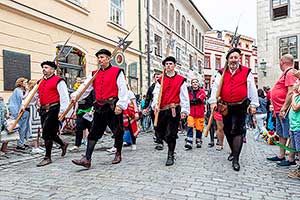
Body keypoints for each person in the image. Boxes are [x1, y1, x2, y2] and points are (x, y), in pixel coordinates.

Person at [71, 49, 128, 168]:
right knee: (93, 133)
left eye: (102, 57)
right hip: (99, 107)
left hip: (112, 106)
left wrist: (121, 105)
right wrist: (76, 95)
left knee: (117, 131)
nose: (100, 60)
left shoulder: (117, 72)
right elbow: (85, 87)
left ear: (108, 58)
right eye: (99, 58)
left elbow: (123, 88)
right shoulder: (94, 73)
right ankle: (87, 159)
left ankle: (118, 153)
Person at [209, 48, 259, 171]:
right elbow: (215, 87)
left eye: (236, 57)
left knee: (238, 131)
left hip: (240, 106)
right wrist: (213, 101)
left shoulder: (247, 72)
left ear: (239, 59)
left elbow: (252, 88)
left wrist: (253, 104)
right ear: (228, 59)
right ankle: (233, 151)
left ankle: (236, 159)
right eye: (231, 57)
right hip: (225, 106)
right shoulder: (221, 72)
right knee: (227, 130)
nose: (233, 60)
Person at [23, 61, 70, 167]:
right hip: (43, 110)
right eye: (43, 67)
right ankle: (63, 144)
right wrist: (24, 105)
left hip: (54, 109)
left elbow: (64, 97)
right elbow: (34, 95)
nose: (44, 69)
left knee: (46, 133)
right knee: (52, 133)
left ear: (53, 70)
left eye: (46, 67)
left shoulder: (59, 81)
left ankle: (47, 157)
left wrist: (63, 111)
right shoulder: (40, 82)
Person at [152, 56, 189, 166]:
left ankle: (170, 154)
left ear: (174, 66)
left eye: (170, 64)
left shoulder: (181, 80)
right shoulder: (160, 80)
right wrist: (155, 105)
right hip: (162, 110)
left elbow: (184, 96)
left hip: (174, 109)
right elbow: (156, 94)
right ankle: (171, 146)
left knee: (171, 133)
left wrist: (184, 110)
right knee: (158, 130)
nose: (168, 66)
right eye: (166, 64)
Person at [267, 54, 297, 167]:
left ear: (281, 62)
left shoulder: (290, 72)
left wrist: (284, 108)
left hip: (285, 110)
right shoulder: (285, 73)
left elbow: (290, 92)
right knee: (281, 133)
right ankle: (281, 155)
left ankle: (291, 158)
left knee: (290, 133)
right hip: (279, 110)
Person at [8, 77, 30, 150]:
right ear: (21, 83)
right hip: (20, 112)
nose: (27, 84)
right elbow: (23, 98)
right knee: (21, 128)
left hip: (24, 111)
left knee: (24, 128)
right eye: (25, 82)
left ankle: (22, 142)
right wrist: (27, 90)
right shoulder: (18, 90)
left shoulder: (20, 90)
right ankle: (20, 144)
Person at [184, 78, 206, 149]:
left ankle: (198, 140)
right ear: (191, 84)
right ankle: (189, 141)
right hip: (191, 113)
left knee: (199, 128)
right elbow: (187, 100)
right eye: (193, 82)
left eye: (196, 82)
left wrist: (193, 101)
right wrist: (193, 101)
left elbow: (200, 99)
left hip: (199, 113)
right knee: (190, 126)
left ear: (198, 83)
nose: (195, 83)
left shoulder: (202, 91)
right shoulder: (189, 92)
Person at [288, 80, 300, 179]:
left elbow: (296, 108)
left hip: (298, 127)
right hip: (294, 126)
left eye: (296, 82)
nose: (294, 84)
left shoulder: (297, 97)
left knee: (299, 149)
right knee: (296, 148)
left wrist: (293, 97)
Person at [143, 73, 160, 138]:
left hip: (162, 108)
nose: (158, 79)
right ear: (154, 78)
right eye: (156, 77)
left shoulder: (163, 86)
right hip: (153, 108)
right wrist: (145, 108)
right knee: (155, 122)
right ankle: (157, 135)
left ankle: (160, 136)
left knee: (161, 122)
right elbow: (148, 98)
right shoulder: (151, 88)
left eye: (159, 77)